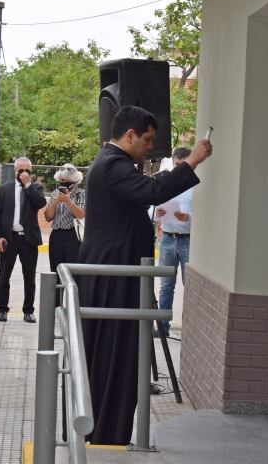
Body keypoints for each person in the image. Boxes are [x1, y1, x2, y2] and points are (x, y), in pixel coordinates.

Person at [76, 106, 212, 444]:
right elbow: (152, 191)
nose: (151, 146)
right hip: (112, 281)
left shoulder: (110, 163)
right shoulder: (112, 165)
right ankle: (104, 434)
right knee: (114, 359)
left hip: (114, 277)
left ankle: (104, 431)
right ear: (130, 136)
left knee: (116, 358)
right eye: (148, 139)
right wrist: (191, 161)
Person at [0, 157, 47, 323]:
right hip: (9, 239)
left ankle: (28, 311)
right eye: (20, 170)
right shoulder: (4, 189)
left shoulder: (36, 188)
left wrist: (28, 185)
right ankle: (2, 310)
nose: (23, 173)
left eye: (27, 170)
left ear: (31, 171)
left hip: (28, 239)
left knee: (29, 277)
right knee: (3, 276)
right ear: (15, 171)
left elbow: (40, 203)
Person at [153, 147, 194, 338]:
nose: (179, 169)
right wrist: (157, 213)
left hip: (188, 240)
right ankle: (162, 326)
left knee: (190, 286)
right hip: (168, 238)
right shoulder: (166, 183)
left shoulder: (196, 186)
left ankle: (191, 327)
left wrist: (189, 217)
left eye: (182, 165)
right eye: (176, 165)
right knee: (166, 285)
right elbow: (152, 209)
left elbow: (207, 215)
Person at [44, 164, 86, 276]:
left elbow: (81, 215)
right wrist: (54, 203)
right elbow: (48, 217)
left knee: (72, 272)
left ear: (74, 180)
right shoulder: (54, 194)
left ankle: (72, 293)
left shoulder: (81, 194)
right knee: (56, 270)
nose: (64, 182)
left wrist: (68, 201)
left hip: (73, 236)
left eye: (67, 180)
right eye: (61, 180)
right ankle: (57, 293)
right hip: (56, 235)